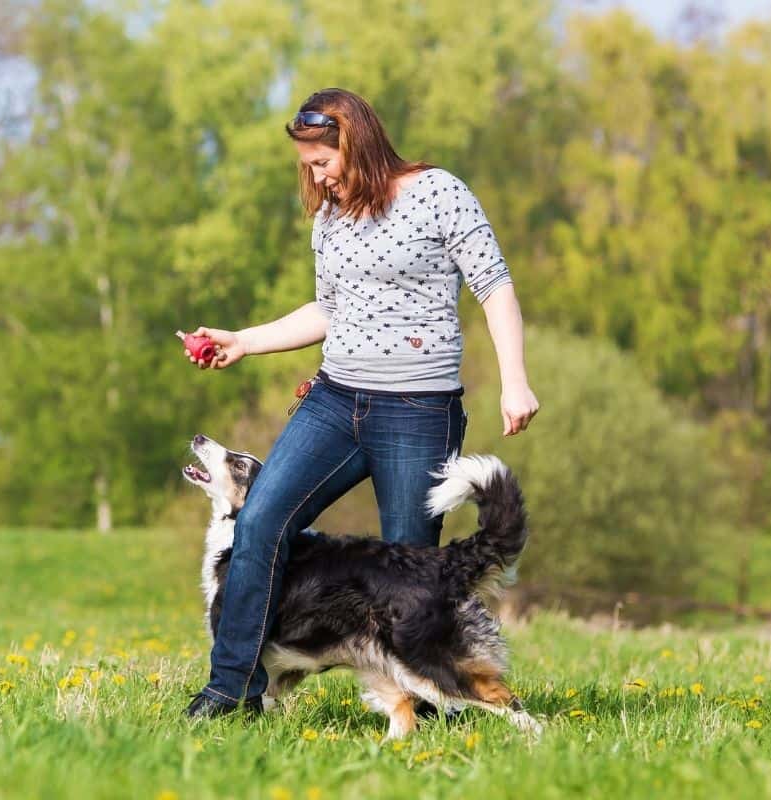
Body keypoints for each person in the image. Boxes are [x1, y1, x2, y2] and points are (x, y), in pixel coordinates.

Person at [180, 88, 540, 719]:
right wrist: (244, 340)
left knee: (408, 560)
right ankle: (230, 690)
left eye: (323, 162)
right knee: (261, 521)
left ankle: (423, 709)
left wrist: (515, 379)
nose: (316, 178)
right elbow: (329, 309)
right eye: (308, 166)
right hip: (335, 401)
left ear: (357, 142)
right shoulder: (331, 219)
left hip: (418, 410)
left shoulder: (440, 192)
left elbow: (494, 284)